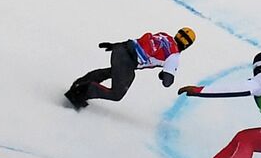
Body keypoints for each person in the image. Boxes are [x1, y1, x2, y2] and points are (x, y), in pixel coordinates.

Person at [65, 27, 196, 110]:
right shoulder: (174, 56)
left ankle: (80, 83)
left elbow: (141, 43)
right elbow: (167, 82)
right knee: (116, 93)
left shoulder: (164, 35)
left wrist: (115, 46)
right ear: (187, 45)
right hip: (128, 61)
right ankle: (80, 93)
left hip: (121, 48)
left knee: (116, 73)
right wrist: (164, 75)